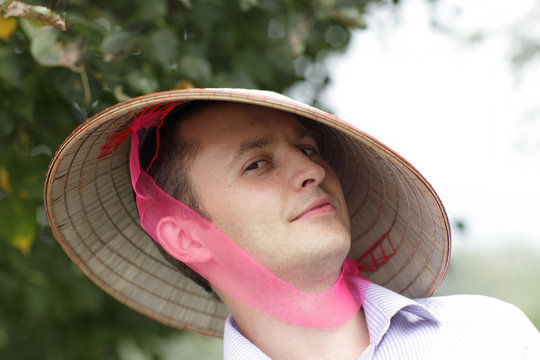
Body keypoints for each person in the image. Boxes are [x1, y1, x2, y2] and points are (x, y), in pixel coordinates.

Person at [45, 88, 540, 359]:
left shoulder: (490, 337)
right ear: (184, 236)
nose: (313, 170)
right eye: (256, 164)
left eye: (307, 149)